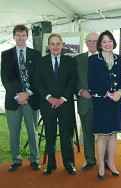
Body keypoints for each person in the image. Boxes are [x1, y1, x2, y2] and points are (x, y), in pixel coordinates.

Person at [34, 33, 77, 175]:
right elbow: (37, 82)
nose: (55, 46)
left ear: (62, 45)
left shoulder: (70, 62)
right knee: (50, 135)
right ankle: (51, 165)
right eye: (52, 44)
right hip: (48, 104)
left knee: (67, 135)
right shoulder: (41, 62)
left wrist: (62, 98)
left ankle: (69, 164)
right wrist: (49, 98)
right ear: (48, 46)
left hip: (65, 104)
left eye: (58, 43)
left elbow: (73, 82)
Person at [1, 25, 41, 172]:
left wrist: (28, 93)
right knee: (14, 132)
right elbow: (5, 78)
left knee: (32, 131)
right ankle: (16, 160)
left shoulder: (35, 55)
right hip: (13, 100)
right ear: (14, 36)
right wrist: (18, 95)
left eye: (23, 35)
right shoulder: (6, 55)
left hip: (31, 99)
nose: (21, 38)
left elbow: (38, 77)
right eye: (18, 35)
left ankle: (34, 159)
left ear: (27, 36)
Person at [88, 30, 121, 180]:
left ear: (113, 42)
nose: (107, 44)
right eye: (104, 41)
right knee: (103, 135)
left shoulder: (119, 59)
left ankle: (111, 163)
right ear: (100, 44)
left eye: (109, 41)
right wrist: (107, 93)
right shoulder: (93, 60)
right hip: (101, 101)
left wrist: (120, 91)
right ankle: (101, 166)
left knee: (114, 133)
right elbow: (91, 82)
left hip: (116, 101)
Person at [75, 32, 108, 170]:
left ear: (99, 42)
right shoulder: (78, 59)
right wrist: (80, 91)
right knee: (87, 133)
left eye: (95, 41)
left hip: (103, 102)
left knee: (104, 132)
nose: (92, 44)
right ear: (86, 43)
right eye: (90, 41)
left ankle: (106, 160)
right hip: (84, 102)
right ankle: (90, 159)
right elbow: (73, 80)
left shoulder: (107, 57)